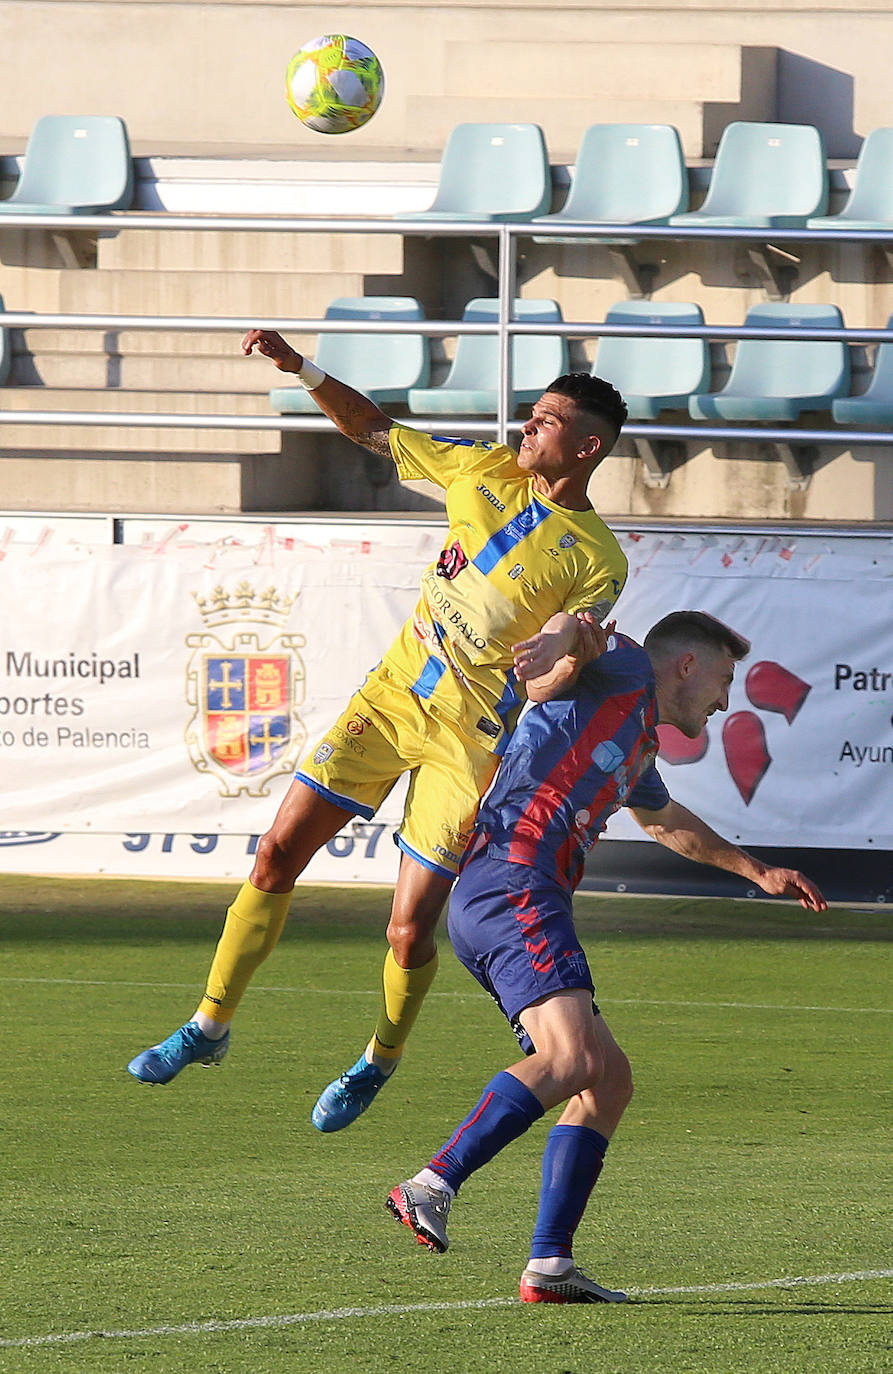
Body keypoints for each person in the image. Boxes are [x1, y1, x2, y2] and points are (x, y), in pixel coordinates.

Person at [127, 328, 631, 1136]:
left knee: (407, 927)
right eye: (531, 415)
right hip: (392, 698)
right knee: (276, 852)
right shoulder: (480, 468)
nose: (526, 428)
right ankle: (208, 1027)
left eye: (544, 421)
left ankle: (378, 1060)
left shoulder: (598, 555)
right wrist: (303, 371)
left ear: (586, 445)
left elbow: (579, 639)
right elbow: (372, 429)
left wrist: (559, 654)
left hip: (468, 742)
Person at [386, 610, 827, 1303]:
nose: (724, 700)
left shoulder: (638, 741)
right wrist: (556, 647)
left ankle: (550, 1267)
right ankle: (430, 1183)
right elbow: (567, 633)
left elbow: (665, 822)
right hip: (512, 880)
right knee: (573, 1062)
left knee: (606, 1082)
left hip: (518, 896)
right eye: (722, 679)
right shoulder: (620, 665)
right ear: (685, 665)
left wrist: (756, 871)